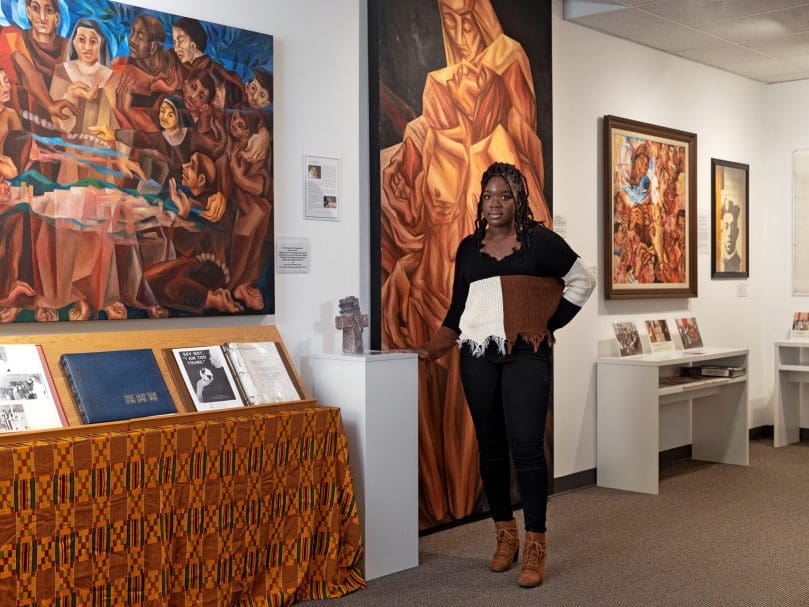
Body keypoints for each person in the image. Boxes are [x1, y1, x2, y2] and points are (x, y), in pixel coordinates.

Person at [417, 162, 594, 588]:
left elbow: (581, 282)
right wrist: (431, 348)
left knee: (527, 447)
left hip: (525, 355)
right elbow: (456, 313)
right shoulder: (468, 249)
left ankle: (535, 543)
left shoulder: (540, 243)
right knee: (491, 448)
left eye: (504, 196)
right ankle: (504, 536)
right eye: (488, 196)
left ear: (518, 200)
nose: (494, 204)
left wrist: (548, 324)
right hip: (479, 356)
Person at [720, 199, 742, 272]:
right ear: (722, 231)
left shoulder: (739, 263)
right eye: (726, 227)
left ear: (737, 232)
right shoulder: (719, 261)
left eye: (732, 227)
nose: (729, 233)